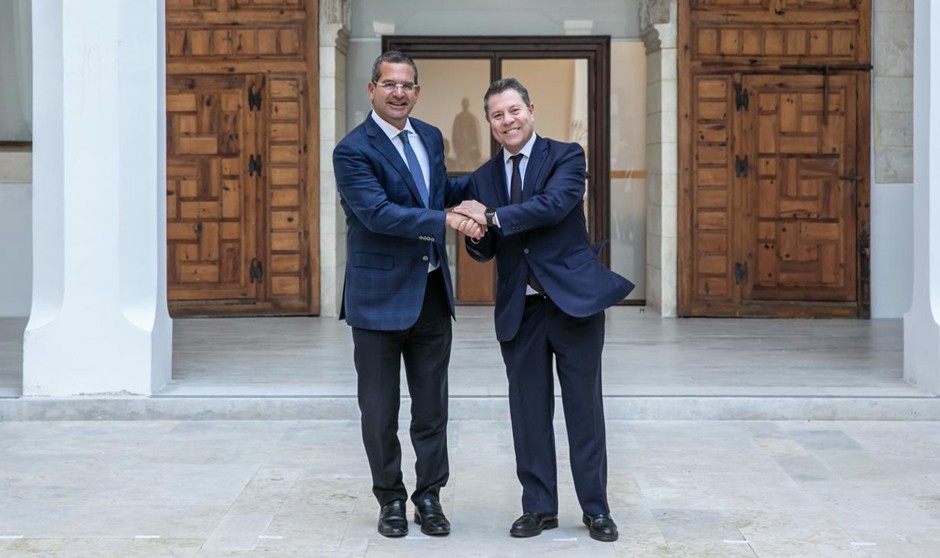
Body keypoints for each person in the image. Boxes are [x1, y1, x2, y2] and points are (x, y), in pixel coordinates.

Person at [453, 77, 634, 543]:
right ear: (491, 124)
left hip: (573, 303)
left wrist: (490, 217)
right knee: (528, 413)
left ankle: (595, 508)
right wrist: (476, 236)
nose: (507, 120)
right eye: (497, 115)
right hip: (522, 310)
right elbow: (486, 247)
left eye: (514, 110)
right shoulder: (483, 177)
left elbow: (553, 206)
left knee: (583, 411)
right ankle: (538, 508)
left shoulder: (567, 155)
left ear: (530, 110)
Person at [332, 50, 483, 539]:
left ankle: (430, 497)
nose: (399, 93)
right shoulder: (353, 150)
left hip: (431, 295)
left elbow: (435, 193)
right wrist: (446, 218)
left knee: (432, 409)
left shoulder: (432, 137)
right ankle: (391, 499)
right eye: (389, 84)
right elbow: (378, 213)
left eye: (407, 85)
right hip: (377, 301)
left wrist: (489, 187)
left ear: (417, 91)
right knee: (379, 412)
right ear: (372, 89)